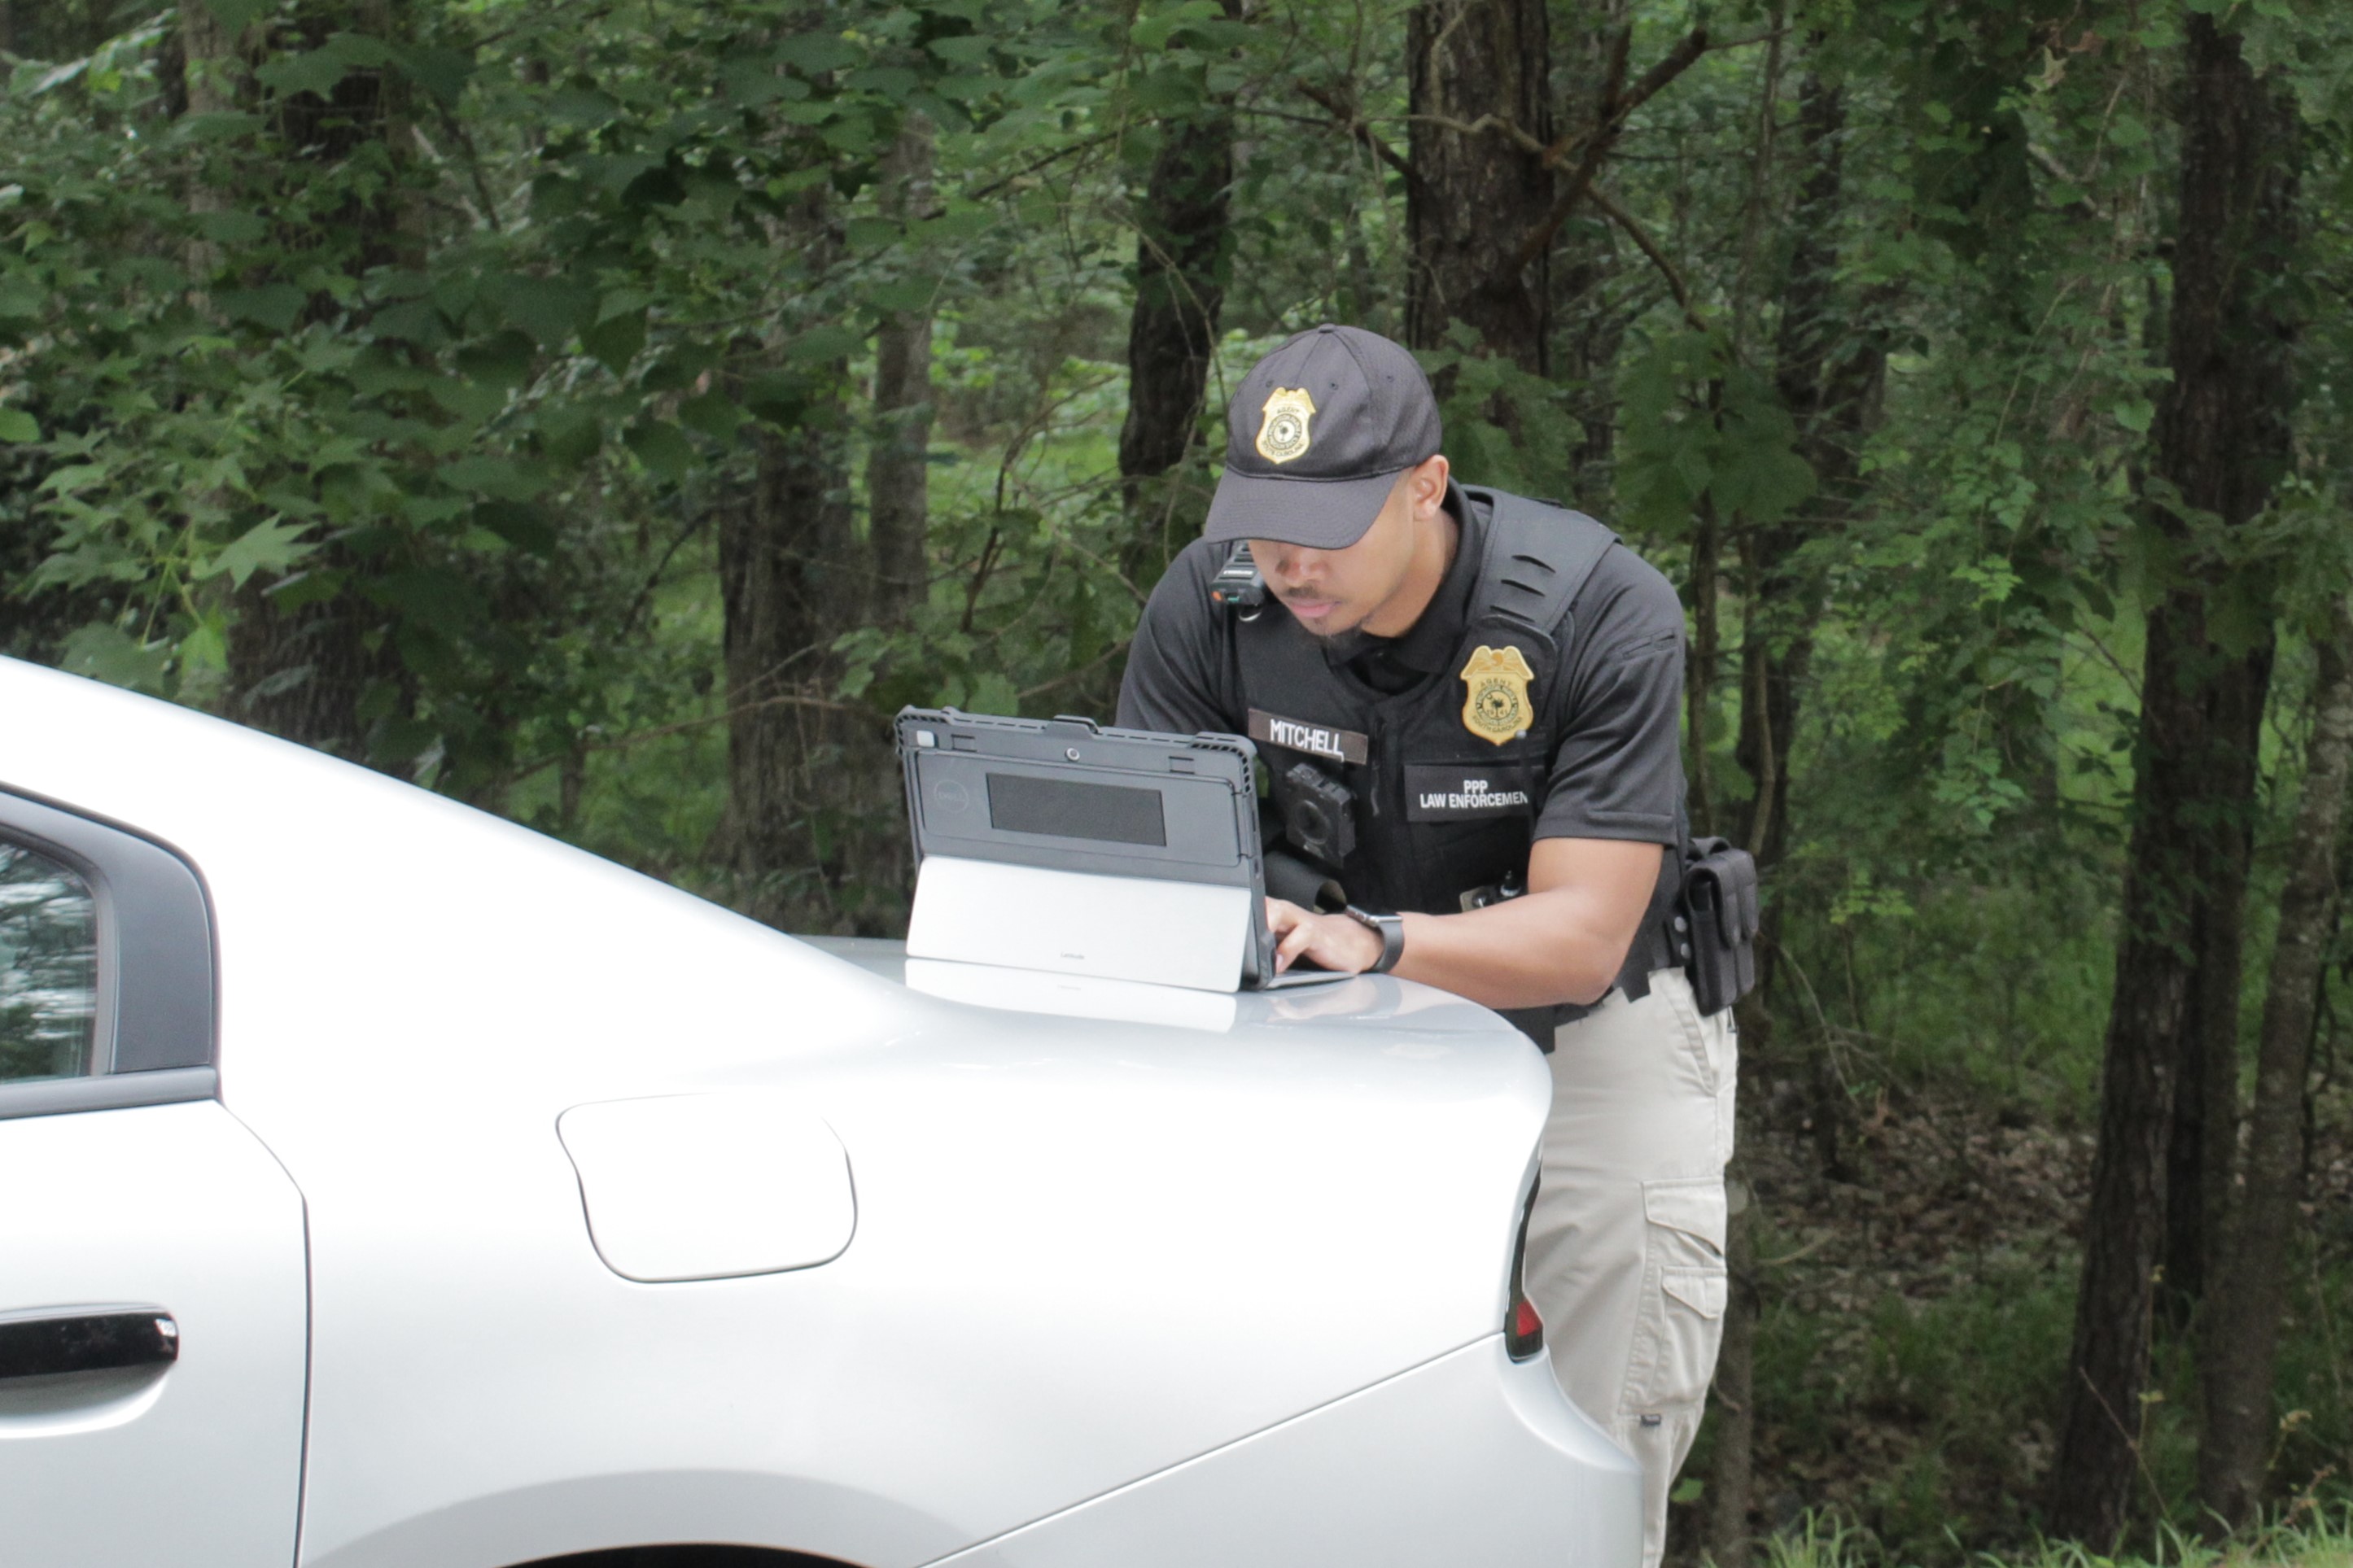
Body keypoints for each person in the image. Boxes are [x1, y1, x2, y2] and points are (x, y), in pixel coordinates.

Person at [1117, 323, 1735, 1568]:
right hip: (1329, 1012)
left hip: (1591, 1030)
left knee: (1588, 1429)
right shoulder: (1215, 601)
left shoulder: (1596, 609)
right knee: (1322, 1409)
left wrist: (1374, 938)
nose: (1291, 560)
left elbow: (1581, 935)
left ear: (1426, 487)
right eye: (1264, 518)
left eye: (1330, 522)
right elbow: (1158, 862)